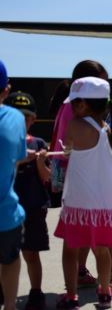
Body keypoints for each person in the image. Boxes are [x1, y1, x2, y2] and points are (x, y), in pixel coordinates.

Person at [49, 60, 112, 289]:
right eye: (102, 80)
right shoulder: (75, 108)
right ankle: (106, 274)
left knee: (88, 228)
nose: (106, 85)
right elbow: (68, 146)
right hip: (79, 177)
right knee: (94, 228)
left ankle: (91, 273)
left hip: (79, 175)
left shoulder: (76, 105)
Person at [4, 92, 51, 310]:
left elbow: (46, 178)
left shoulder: (39, 143)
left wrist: (40, 160)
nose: (23, 122)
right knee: (6, 255)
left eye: (27, 117)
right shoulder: (6, 142)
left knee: (32, 253)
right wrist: (22, 157)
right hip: (8, 208)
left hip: (33, 205)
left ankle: (36, 291)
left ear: (34, 120)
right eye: (19, 117)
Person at [0, 60, 26, 310]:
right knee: (9, 260)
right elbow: (17, 160)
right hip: (5, 213)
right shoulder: (14, 118)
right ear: (6, 90)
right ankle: (10, 305)